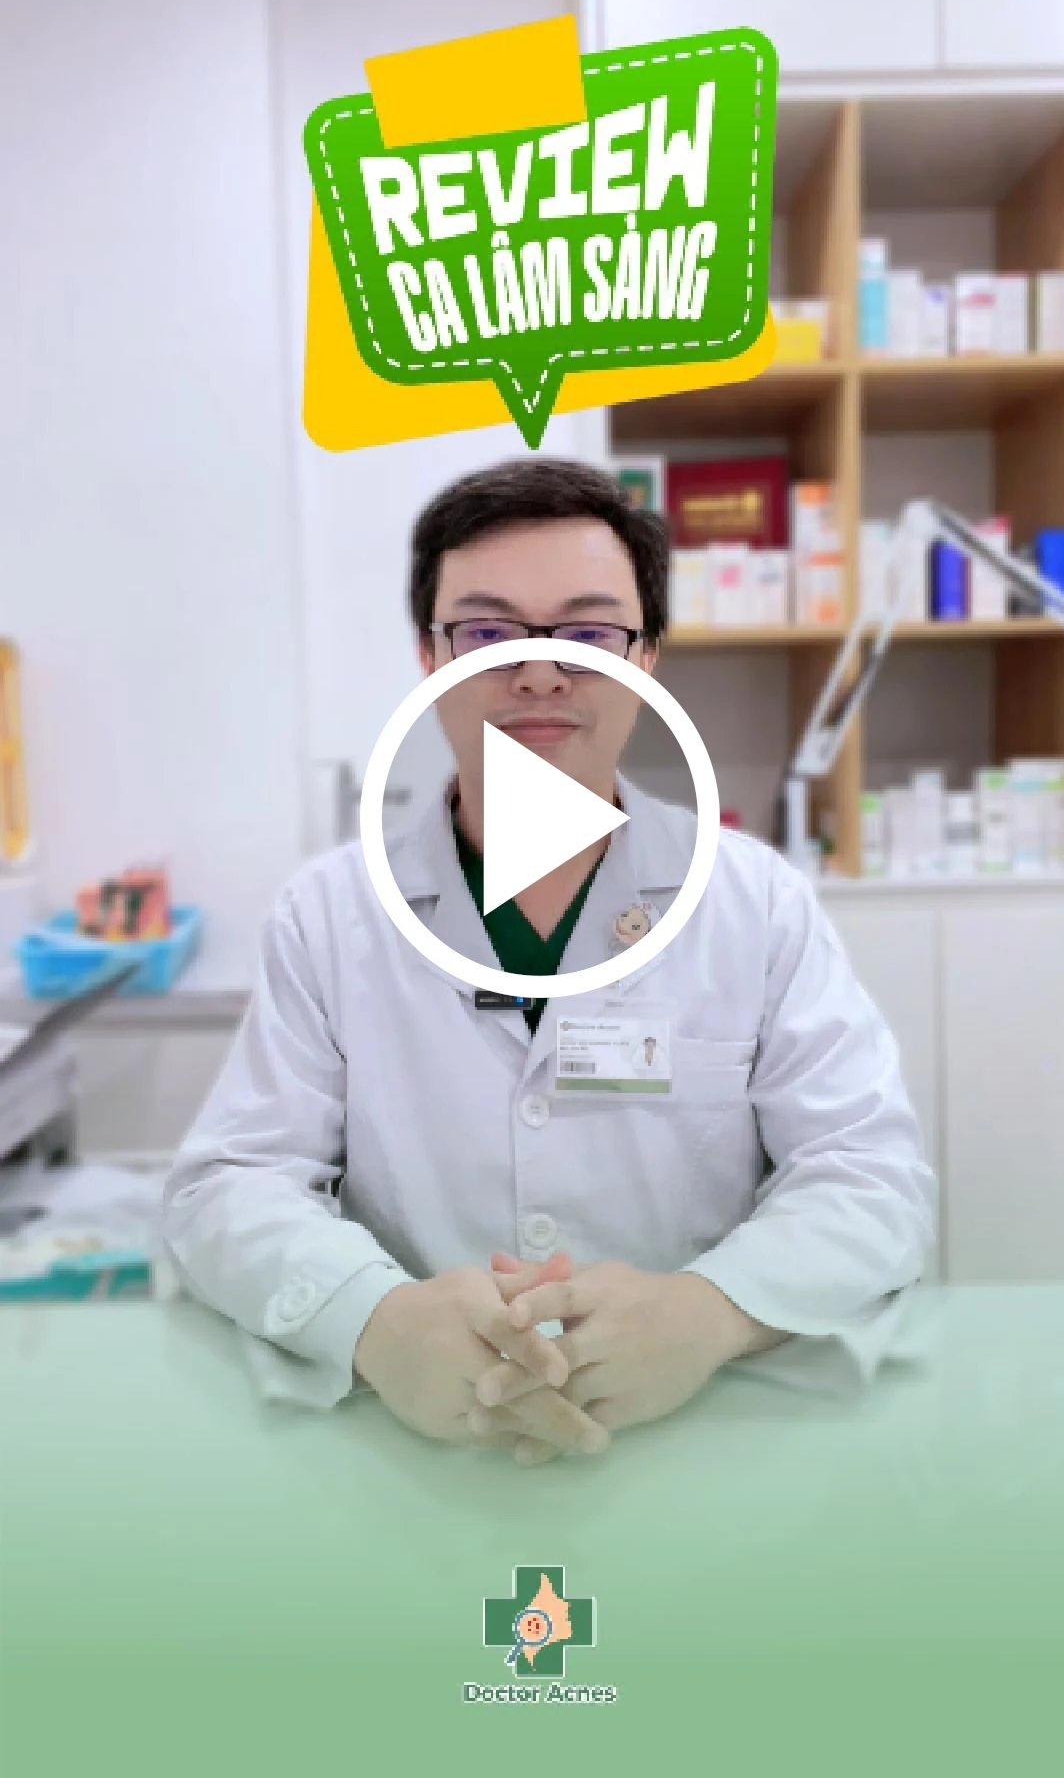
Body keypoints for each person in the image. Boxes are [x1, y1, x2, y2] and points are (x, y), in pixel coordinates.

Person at [162, 458, 936, 1466]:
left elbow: (872, 1177)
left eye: (588, 636)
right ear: (429, 656)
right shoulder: (328, 916)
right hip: (412, 1450)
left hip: (701, 1441)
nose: (538, 673)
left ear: (646, 659)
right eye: (488, 634)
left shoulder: (754, 905)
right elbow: (230, 1185)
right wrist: (375, 1322)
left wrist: (712, 1312)